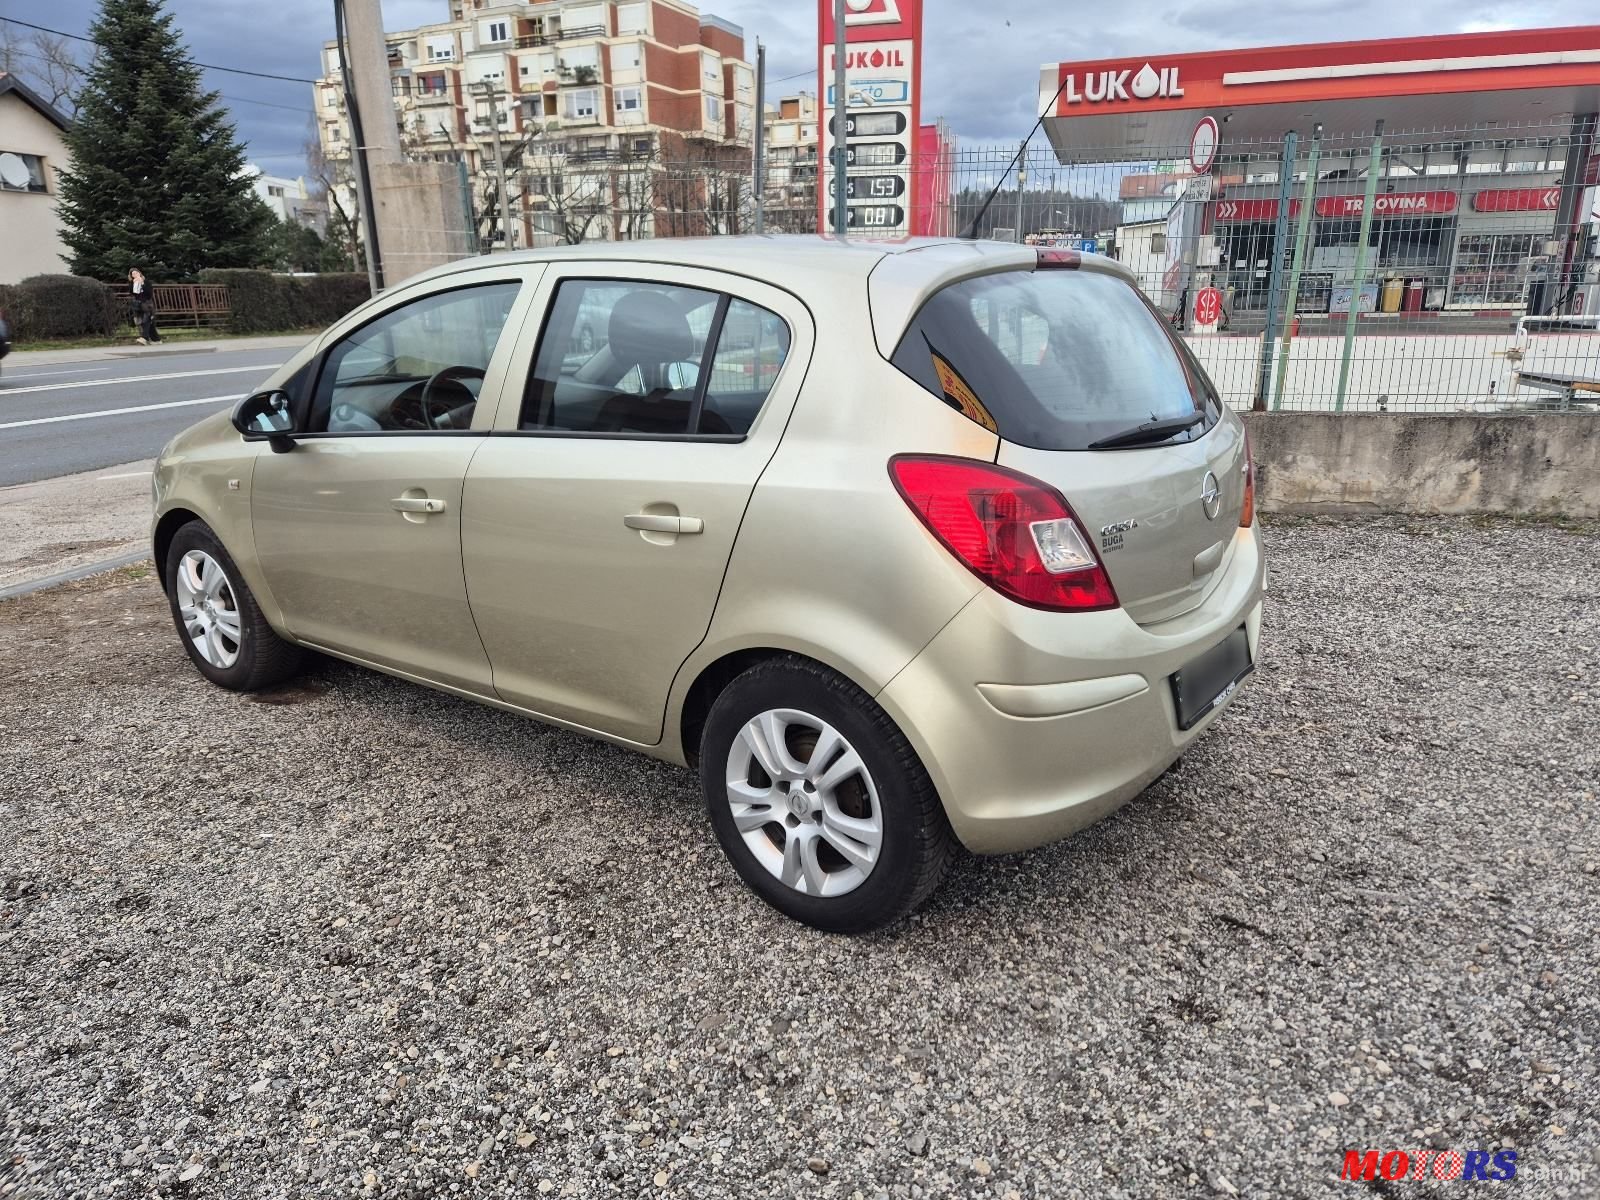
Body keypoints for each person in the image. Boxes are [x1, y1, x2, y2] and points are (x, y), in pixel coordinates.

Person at [130, 268, 162, 345]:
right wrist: (135, 285)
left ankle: (144, 338)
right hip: (139, 304)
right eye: (133, 274)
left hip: (147, 304)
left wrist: (142, 284)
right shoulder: (132, 283)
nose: (135, 275)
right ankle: (156, 339)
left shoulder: (146, 282)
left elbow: (149, 294)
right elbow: (134, 294)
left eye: (136, 273)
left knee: (147, 319)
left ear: (139, 273)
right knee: (148, 322)